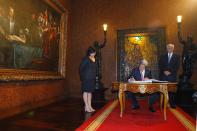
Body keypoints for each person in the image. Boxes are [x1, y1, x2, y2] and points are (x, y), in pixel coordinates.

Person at [159, 44, 180, 108]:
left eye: (171, 47)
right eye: (168, 47)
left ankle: (172, 103)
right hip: (163, 75)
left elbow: (177, 66)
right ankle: (163, 103)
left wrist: (170, 72)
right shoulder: (163, 56)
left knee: (172, 91)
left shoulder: (177, 56)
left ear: (173, 48)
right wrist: (164, 71)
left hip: (172, 76)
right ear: (166, 48)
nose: (169, 48)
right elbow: (160, 65)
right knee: (163, 90)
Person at [79, 47, 97, 112]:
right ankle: (86, 106)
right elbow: (81, 68)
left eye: (95, 52)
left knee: (90, 92)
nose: (94, 53)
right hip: (86, 78)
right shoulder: (86, 59)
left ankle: (90, 106)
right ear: (90, 53)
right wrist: (82, 77)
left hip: (92, 78)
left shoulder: (94, 59)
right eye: (93, 52)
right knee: (86, 91)